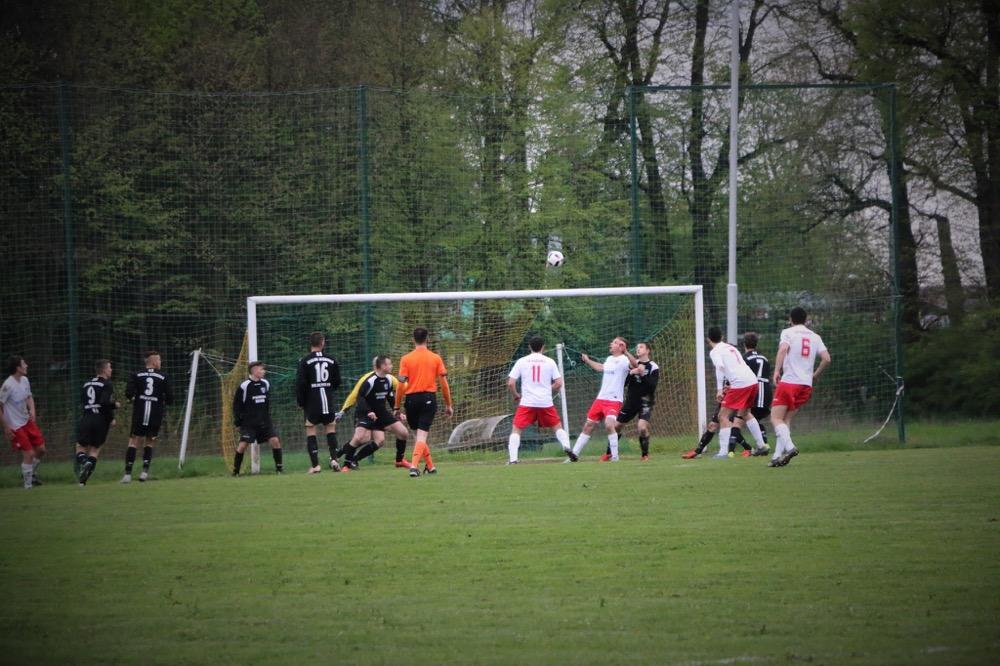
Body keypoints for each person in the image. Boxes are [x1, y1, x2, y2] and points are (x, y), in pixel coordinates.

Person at [769, 307, 831, 467]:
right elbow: (826, 358)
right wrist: (815, 374)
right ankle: (776, 456)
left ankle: (790, 448)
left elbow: (783, 349)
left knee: (775, 418)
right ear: (806, 319)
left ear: (790, 319)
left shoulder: (788, 332)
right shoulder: (815, 336)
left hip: (789, 382)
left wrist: (776, 371)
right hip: (805, 385)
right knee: (786, 419)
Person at [394, 327, 453, 477]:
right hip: (428, 398)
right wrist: (448, 404)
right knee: (421, 436)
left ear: (413, 340)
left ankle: (430, 466)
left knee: (418, 435)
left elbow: (400, 385)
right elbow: (444, 385)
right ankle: (414, 467)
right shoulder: (435, 358)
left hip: (411, 400)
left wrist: (396, 406)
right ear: (428, 339)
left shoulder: (406, 359)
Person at [568, 336, 637, 462]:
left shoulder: (624, 360)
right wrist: (587, 361)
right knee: (588, 425)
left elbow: (635, 365)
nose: (611, 344)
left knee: (609, 425)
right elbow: (600, 367)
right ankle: (573, 456)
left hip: (614, 400)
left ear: (621, 346)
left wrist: (626, 352)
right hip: (600, 399)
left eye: (614, 342)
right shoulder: (609, 359)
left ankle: (615, 457)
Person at [505, 336, 572, 464]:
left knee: (517, 429)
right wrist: (548, 389)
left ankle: (513, 459)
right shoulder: (550, 362)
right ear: (543, 347)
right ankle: (566, 447)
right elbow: (559, 383)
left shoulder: (522, 361)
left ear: (529, 347)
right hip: (545, 401)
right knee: (557, 426)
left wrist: (516, 395)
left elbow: (511, 383)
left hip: (527, 402)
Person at [337, 355, 410, 471]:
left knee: (402, 433)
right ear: (382, 366)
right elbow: (360, 397)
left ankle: (399, 460)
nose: (391, 366)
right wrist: (369, 411)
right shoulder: (370, 381)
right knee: (360, 438)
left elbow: (390, 397)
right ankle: (346, 464)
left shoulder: (389, 379)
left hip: (381, 413)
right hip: (365, 413)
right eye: (389, 364)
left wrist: (397, 411)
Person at [706, 327, 769, 460]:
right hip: (752, 381)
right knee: (745, 413)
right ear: (722, 337)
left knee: (722, 416)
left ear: (708, 339)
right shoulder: (731, 348)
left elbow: (720, 367)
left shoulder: (715, 351)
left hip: (740, 384)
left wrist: (719, 389)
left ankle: (723, 452)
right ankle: (762, 445)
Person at [600, 342, 658, 462]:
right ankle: (609, 453)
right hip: (631, 402)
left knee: (642, 428)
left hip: (645, 402)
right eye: (637, 347)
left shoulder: (653, 366)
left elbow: (652, 386)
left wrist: (642, 374)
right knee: (616, 426)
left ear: (648, 351)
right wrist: (630, 373)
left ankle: (645, 455)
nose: (638, 349)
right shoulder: (632, 364)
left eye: (641, 347)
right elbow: (624, 383)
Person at [121, 351, 173, 483]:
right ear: (154, 361)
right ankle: (144, 472)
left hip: (140, 411)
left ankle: (127, 474)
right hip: (155, 413)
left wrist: (135, 399)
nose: (160, 362)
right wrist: (163, 402)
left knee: (133, 441)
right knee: (150, 441)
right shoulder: (163, 376)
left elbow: (128, 392)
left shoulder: (136, 374)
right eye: (159, 360)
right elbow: (170, 397)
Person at [295, 332, 342, 474]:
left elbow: (300, 384)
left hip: (312, 402)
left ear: (310, 343)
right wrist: (328, 389)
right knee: (331, 429)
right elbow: (337, 381)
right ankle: (334, 459)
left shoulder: (304, 361)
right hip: (327, 400)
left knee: (311, 431)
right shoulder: (332, 360)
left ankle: (316, 465)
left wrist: (301, 402)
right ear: (323, 343)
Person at [0, 355, 46, 489]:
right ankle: (28, 486)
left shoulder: (25, 380)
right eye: (24, 364)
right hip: (15, 426)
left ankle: (30, 474)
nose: (26, 366)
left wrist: (32, 410)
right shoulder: (7, 385)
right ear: (18, 368)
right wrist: (6, 427)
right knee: (29, 454)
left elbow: (29, 397)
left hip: (27, 421)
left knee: (41, 449)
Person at [231, 361, 283, 476]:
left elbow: (267, 402)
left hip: (265, 422)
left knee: (275, 441)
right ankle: (236, 471)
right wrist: (238, 422)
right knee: (242, 445)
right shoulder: (244, 386)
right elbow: (236, 406)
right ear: (254, 370)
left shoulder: (265, 384)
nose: (264, 371)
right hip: (249, 423)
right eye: (261, 369)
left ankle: (279, 469)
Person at [76, 359, 119, 486]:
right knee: (95, 450)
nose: (111, 370)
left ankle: (84, 463)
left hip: (86, 417)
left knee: (80, 447)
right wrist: (113, 410)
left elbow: (83, 401)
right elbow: (104, 403)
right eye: (110, 367)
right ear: (104, 370)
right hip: (100, 420)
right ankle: (83, 480)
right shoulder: (107, 384)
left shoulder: (86, 384)